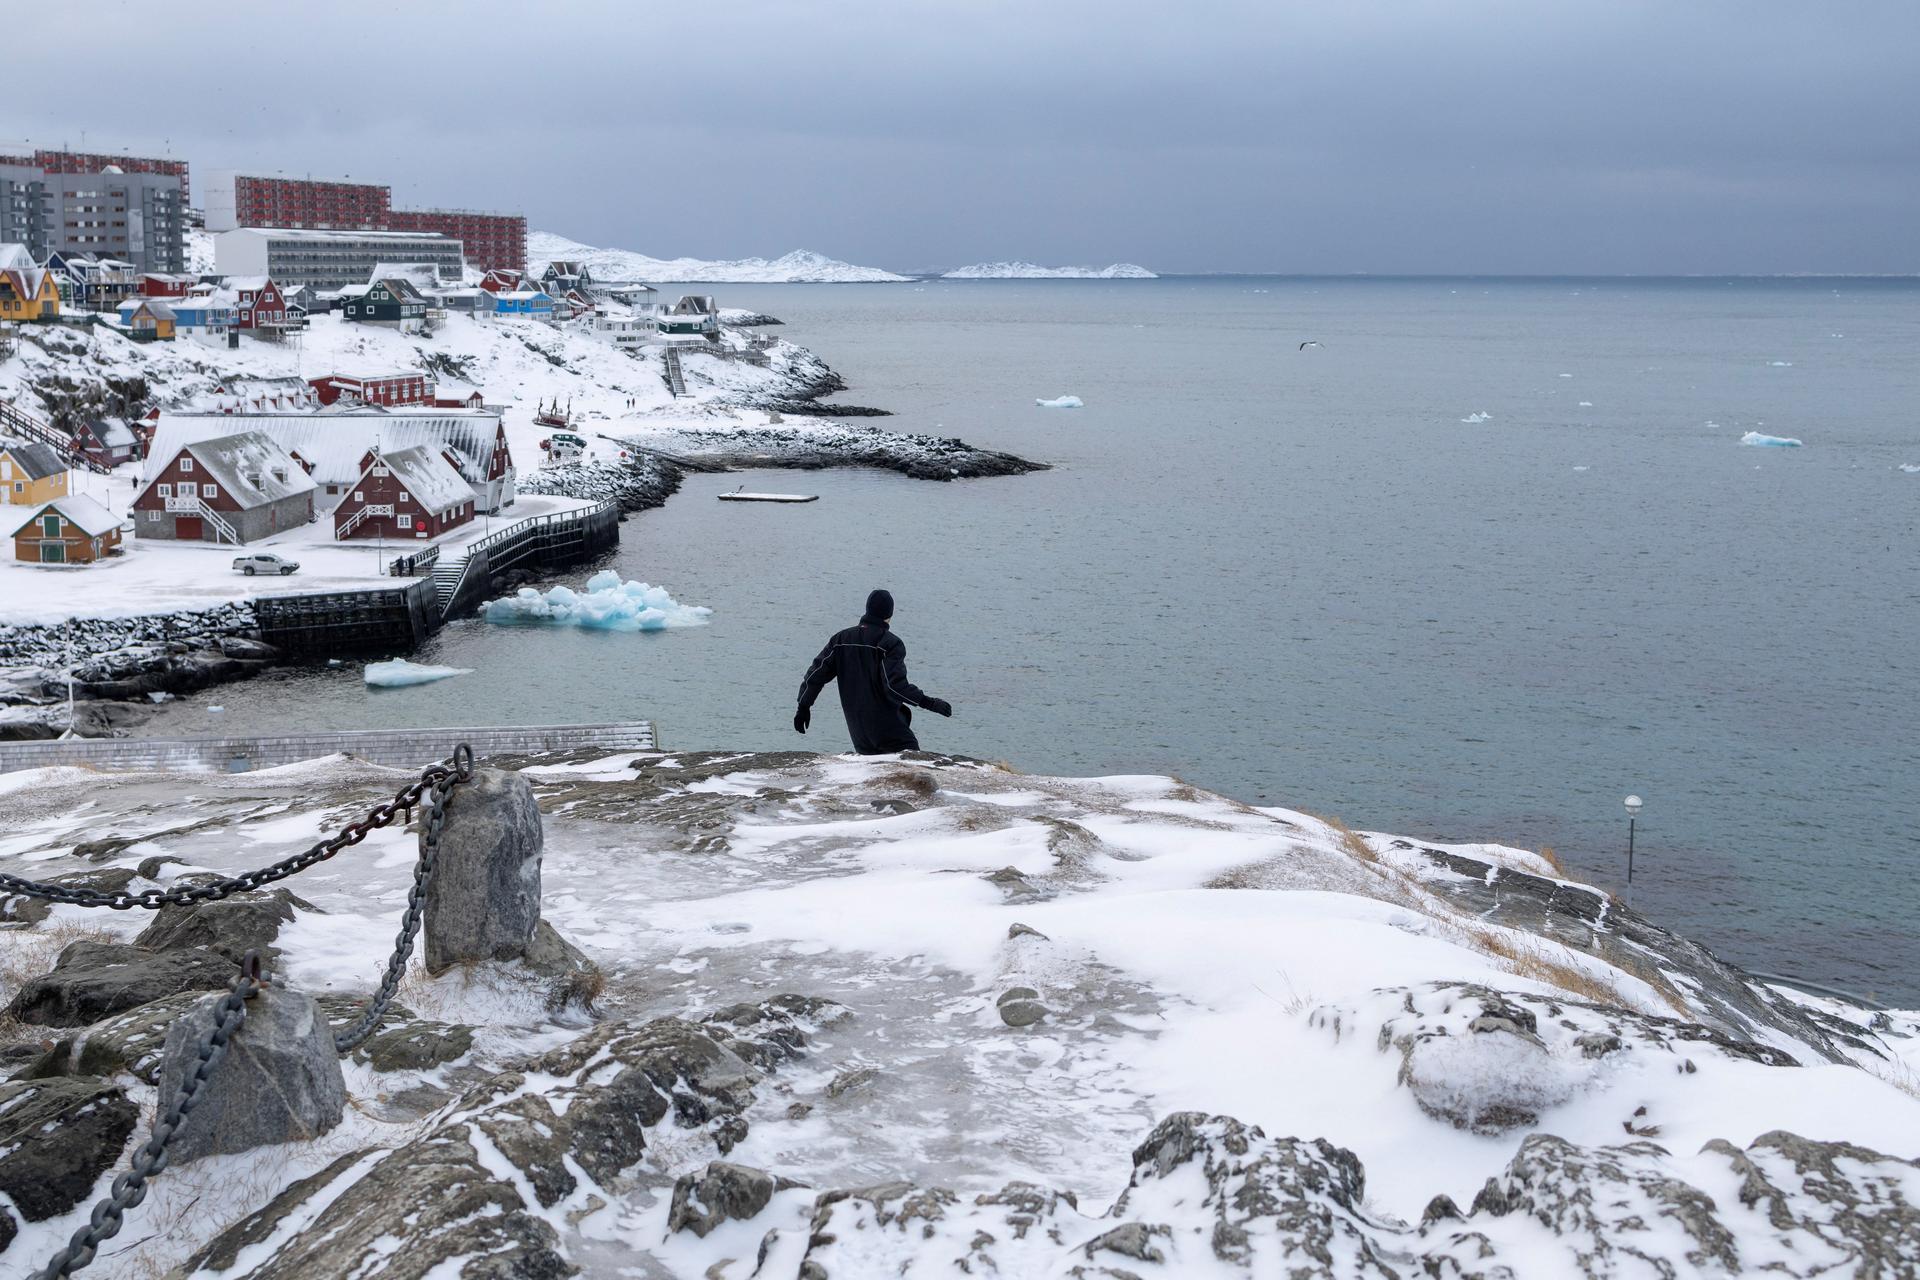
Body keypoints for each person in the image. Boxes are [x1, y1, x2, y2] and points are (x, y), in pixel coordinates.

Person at [794, 589, 952, 753]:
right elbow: (894, 686)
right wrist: (930, 703)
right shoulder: (890, 643)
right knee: (912, 771)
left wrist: (803, 707)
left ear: (867, 609)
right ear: (889, 614)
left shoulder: (840, 640)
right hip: (891, 731)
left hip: (859, 733)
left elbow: (815, 674)